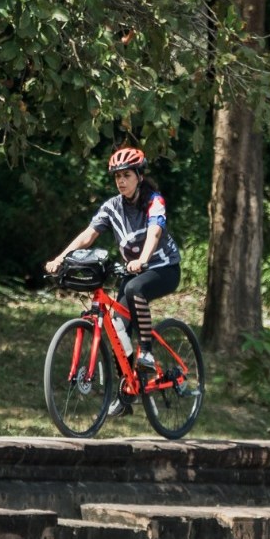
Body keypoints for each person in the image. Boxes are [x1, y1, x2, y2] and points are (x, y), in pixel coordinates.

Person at [44, 147, 185, 394]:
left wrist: (142, 259)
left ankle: (148, 353)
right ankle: (127, 388)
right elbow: (88, 235)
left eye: (126, 175)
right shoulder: (112, 207)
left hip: (164, 268)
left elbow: (155, 232)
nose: (121, 181)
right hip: (134, 270)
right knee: (118, 326)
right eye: (117, 176)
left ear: (139, 176)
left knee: (134, 288)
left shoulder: (154, 201)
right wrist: (61, 257)